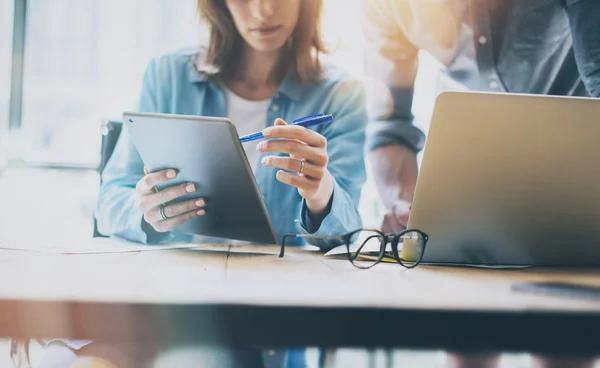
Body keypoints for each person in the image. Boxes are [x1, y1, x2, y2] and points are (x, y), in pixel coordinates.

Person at [32, 0, 368, 366]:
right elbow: (111, 200)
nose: (262, 11)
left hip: (256, 321)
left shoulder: (340, 95)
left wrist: (321, 192)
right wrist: (145, 212)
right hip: (159, 302)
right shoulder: (167, 75)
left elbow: (348, 235)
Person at [361, 0, 600, 367]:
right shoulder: (387, 7)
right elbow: (388, 125)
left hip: (571, 181)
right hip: (473, 187)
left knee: (562, 348)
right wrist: (404, 204)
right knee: (466, 341)